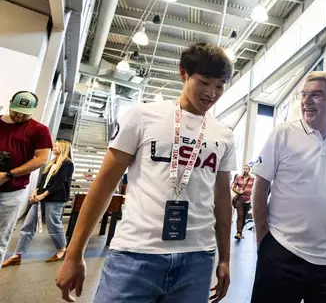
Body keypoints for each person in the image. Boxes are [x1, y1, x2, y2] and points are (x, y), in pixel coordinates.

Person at [55, 42, 237, 303]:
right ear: (183, 74)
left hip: (197, 258)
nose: (211, 93)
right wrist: (74, 254)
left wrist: (225, 258)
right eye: (204, 82)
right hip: (135, 254)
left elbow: (222, 200)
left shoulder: (224, 135)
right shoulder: (141, 117)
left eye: (219, 85)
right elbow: (104, 185)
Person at [250, 71, 326, 303]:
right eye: (304, 95)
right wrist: (263, 239)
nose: (306, 101)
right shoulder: (283, 134)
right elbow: (260, 186)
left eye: (316, 95)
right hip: (282, 250)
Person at [0, 91, 53, 267]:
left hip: (11, 192)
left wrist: (9, 175)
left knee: (0, 237)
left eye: (25, 113)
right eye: (16, 111)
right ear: (9, 103)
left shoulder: (39, 130)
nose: (19, 115)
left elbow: (41, 159)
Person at [2, 140, 74, 267]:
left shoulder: (68, 164)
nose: (53, 147)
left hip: (55, 199)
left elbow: (60, 183)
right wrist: (36, 192)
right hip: (40, 197)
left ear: (63, 148)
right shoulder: (52, 162)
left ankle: (62, 249)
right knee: (28, 225)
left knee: (53, 225)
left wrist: (43, 195)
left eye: (56, 146)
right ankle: (17, 255)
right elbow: (43, 181)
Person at [231, 164, 255, 240]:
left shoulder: (252, 179)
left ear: (249, 170)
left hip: (248, 201)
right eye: (244, 168)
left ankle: (240, 232)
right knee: (240, 216)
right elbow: (233, 188)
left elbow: (255, 189)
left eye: (246, 169)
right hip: (239, 200)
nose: (245, 170)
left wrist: (252, 197)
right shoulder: (238, 178)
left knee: (244, 217)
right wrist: (239, 192)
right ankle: (238, 232)